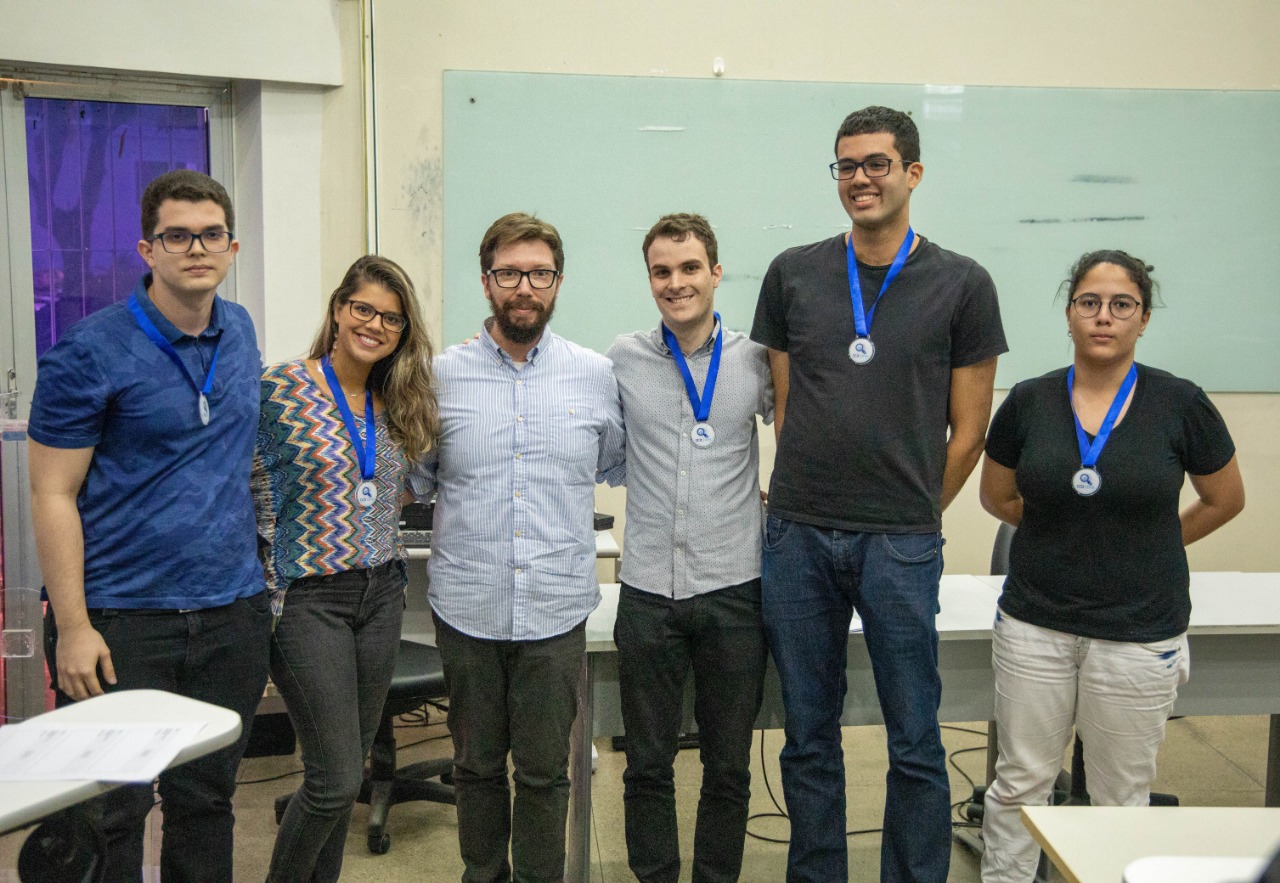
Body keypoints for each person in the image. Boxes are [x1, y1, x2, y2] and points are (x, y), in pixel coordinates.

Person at [750, 105, 1007, 882]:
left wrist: (918, 512)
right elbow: (789, 408)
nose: (859, 178)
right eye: (846, 165)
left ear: (912, 173)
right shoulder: (794, 271)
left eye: (876, 163)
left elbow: (970, 429)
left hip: (900, 541)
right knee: (807, 733)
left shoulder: (963, 283)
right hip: (798, 536)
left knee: (916, 737)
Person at [28, 169, 270, 881]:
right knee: (111, 810)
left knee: (207, 801)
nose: (196, 247)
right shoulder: (88, 350)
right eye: (177, 235)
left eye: (211, 234)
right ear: (147, 248)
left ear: (232, 246)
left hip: (230, 613)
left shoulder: (243, 330)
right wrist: (73, 625)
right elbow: (51, 493)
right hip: (121, 620)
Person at [978, 250, 1244, 882]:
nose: (1104, 317)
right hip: (1036, 626)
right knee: (1019, 785)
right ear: (1069, 314)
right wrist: (1064, 527)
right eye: (1089, 303)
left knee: (1120, 799)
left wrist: (1153, 539)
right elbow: (997, 496)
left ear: (1143, 319)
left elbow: (1224, 499)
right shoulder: (1029, 400)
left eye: (1121, 305)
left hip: (1138, 630)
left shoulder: (1180, 403)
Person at [410, 212, 625, 882]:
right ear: (486, 281)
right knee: (475, 768)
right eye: (509, 272)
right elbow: (417, 477)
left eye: (538, 273)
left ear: (557, 282)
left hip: (556, 610)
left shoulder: (595, 375)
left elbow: (612, 462)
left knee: (542, 772)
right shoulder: (438, 377)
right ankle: (484, 874)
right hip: (468, 607)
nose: (523, 286)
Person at [254, 255, 438, 882]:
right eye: (363, 309)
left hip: (381, 592)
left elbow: (401, 491)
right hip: (307, 599)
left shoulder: (398, 400)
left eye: (391, 318)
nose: (375, 325)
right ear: (337, 309)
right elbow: (235, 485)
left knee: (347, 769)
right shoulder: (277, 387)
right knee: (333, 782)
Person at [604, 213, 773, 882]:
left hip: (734, 590)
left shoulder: (757, 360)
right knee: (646, 764)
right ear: (650, 278)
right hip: (647, 588)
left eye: (690, 268)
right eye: (662, 271)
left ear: (716, 271)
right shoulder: (622, 358)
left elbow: (800, 436)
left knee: (728, 767)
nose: (677, 283)